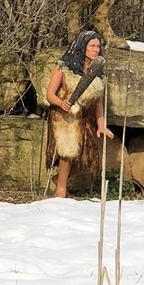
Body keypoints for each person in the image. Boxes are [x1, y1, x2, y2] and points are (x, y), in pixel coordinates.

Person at [45, 29, 114, 198]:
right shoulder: (64, 68)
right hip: (63, 117)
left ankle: (59, 180)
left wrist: (101, 125)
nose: (96, 49)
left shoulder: (98, 74)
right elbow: (50, 94)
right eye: (92, 45)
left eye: (98, 46)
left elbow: (98, 102)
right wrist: (61, 103)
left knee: (89, 157)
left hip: (83, 117)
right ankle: (60, 191)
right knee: (67, 151)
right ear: (82, 47)